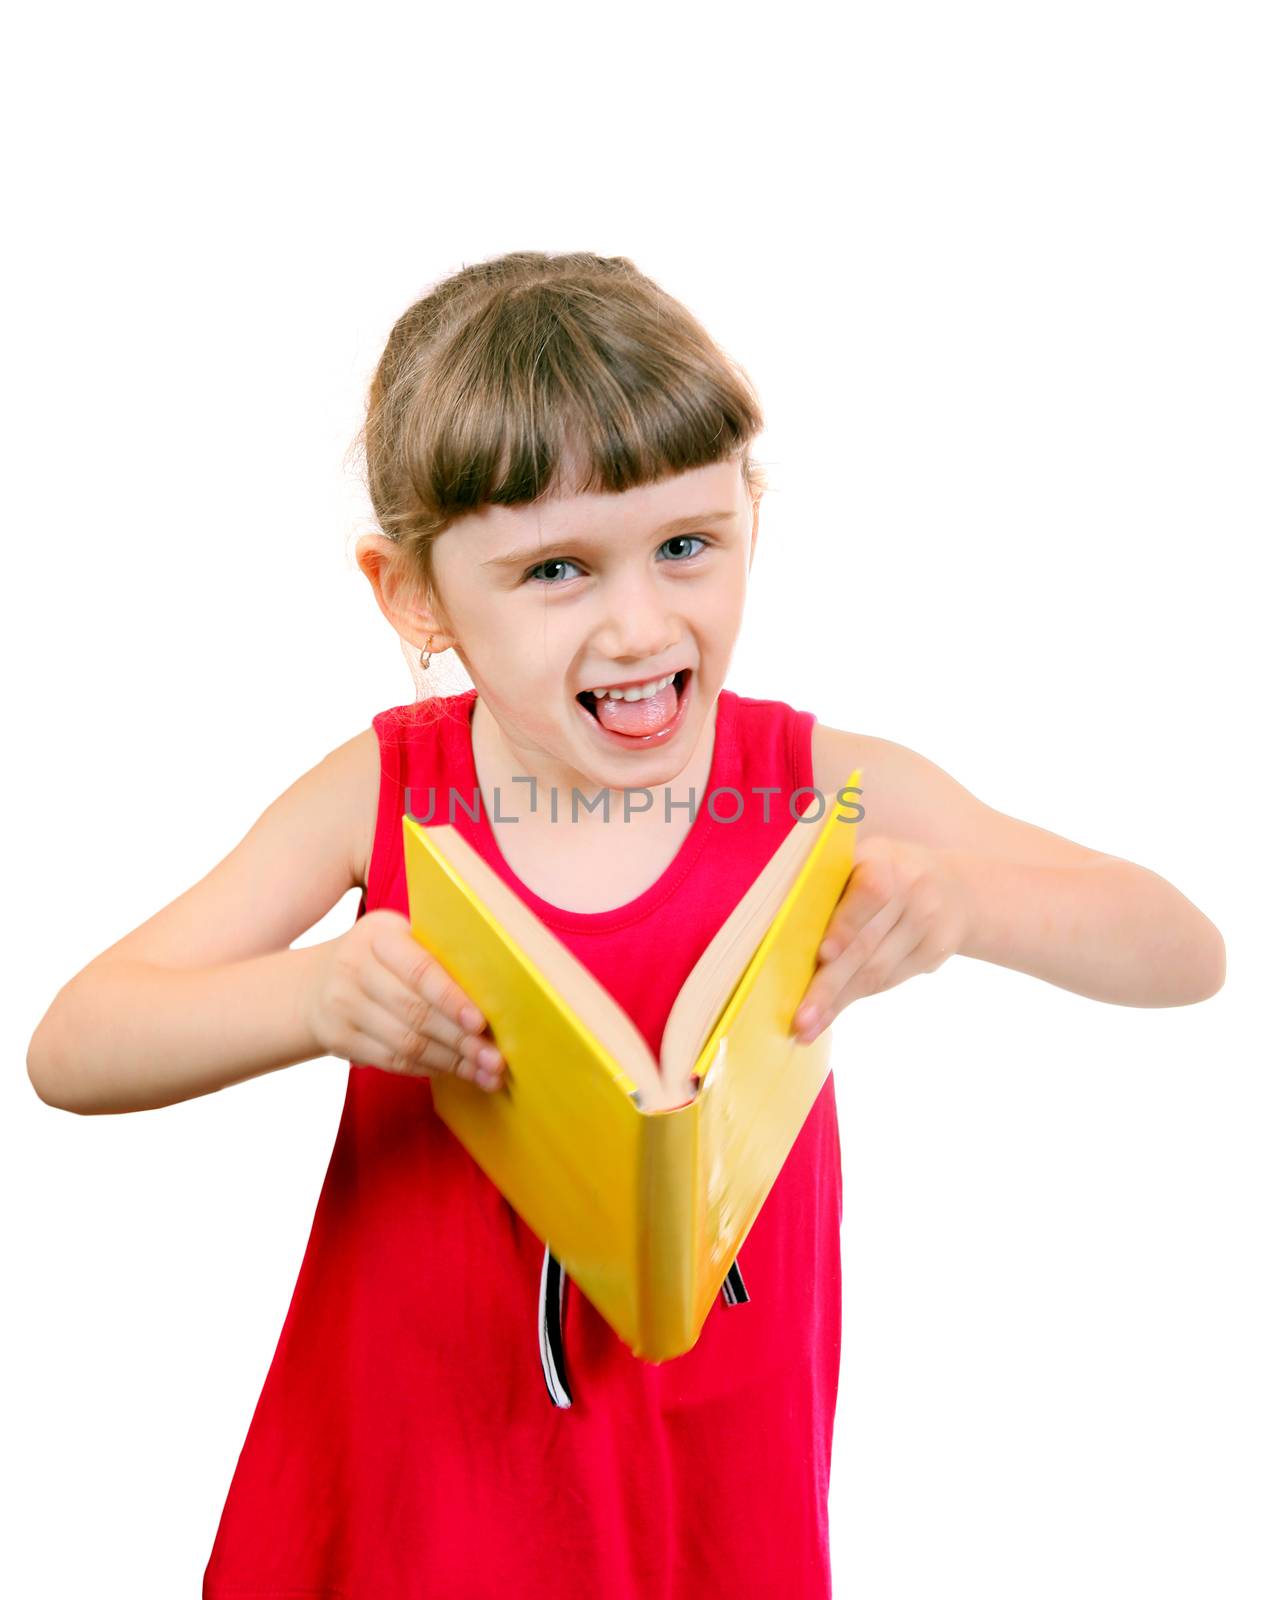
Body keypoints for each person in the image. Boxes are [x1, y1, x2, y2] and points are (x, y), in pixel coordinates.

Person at [26, 249, 1226, 1599]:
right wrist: (305, 1000)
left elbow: (1180, 950)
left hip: (710, 1449)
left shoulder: (817, 785)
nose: (640, 623)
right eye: (555, 569)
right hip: (432, 1458)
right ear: (411, 594)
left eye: (685, 545)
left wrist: (962, 903)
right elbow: (74, 1047)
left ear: (747, 515)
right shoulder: (384, 790)